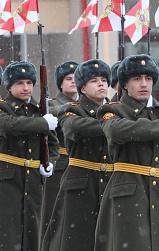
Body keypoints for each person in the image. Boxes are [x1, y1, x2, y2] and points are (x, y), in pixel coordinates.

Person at [95, 54, 159, 251]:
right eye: (137, 79)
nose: (144, 84)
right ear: (125, 84)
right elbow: (117, 131)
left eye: (148, 79)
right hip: (129, 195)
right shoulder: (113, 109)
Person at [41, 59, 113, 251]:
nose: (101, 84)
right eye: (94, 81)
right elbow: (76, 128)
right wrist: (117, 127)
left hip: (110, 182)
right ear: (82, 88)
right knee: (76, 240)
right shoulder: (71, 109)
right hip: (81, 185)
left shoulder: (117, 110)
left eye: (104, 80)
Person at [0, 61, 59, 251]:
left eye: (29, 83)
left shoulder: (39, 110)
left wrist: (49, 163)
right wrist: (42, 123)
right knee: (8, 234)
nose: (26, 88)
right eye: (19, 83)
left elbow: (53, 144)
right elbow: (9, 126)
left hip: (33, 181)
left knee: (33, 234)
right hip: (8, 180)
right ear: (9, 86)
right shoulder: (4, 108)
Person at [39, 60, 79, 242]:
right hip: (61, 165)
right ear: (60, 84)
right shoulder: (52, 104)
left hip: (79, 164)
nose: (73, 82)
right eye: (68, 79)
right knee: (55, 214)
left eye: (76, 78)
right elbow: (56, 113)